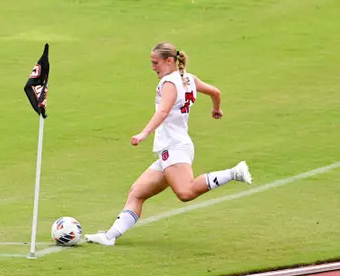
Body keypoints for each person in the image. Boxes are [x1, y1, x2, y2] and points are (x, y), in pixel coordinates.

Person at [84, 42, 252, 246]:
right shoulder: (189, 79)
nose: (153, 67)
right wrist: (216, 109)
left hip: (174, 148)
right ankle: (109, 237)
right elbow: (215, 92)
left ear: (169, 61)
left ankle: (234, 172)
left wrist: (144, 133)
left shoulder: (169, 84)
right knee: (137, 192)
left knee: (186, 192)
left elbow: (162, 112)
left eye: (155, 63)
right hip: (172, 148)